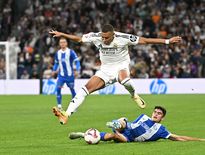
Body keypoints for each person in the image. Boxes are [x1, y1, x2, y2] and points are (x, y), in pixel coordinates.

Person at [49, 24, 182, 125]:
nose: (104, 40)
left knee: (124, 81)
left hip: (121, 66)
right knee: (84, 90)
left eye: (107, 38)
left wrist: (167, 41)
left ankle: (133, 95)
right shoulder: (96, 36)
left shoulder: (123, 37)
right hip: (105, 70)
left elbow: (145, 40)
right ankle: (66, 114)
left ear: (113, 35)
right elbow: (79, 39)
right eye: (103, 37)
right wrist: (63, 34)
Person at [69, 106, 205, 142]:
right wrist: (122, 123)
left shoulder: (160, 130)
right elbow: (131, 124)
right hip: (126, 127)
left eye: (159, 114)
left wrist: (198, 139)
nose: (156, 114)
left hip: (129, 138)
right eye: (155, 112)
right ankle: (116, 124)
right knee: (123, 121)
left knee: (113, 137)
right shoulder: (144, 116)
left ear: (162, 118)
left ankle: (83, 134)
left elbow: (178, 137)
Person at [52, 37, 81, 110]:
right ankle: (59, 106)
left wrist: (77, 69)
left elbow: (77, 61)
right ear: (59, 44)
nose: (62, 44)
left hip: (70, 75)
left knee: (72, 89)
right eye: (61, 42)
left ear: (66, 43)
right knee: (58, 89)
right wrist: (54, 70)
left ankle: (74, 105)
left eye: (64, 42)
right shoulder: (58, 53)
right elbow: (56, 63)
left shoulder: (71, 52)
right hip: (61, 76)